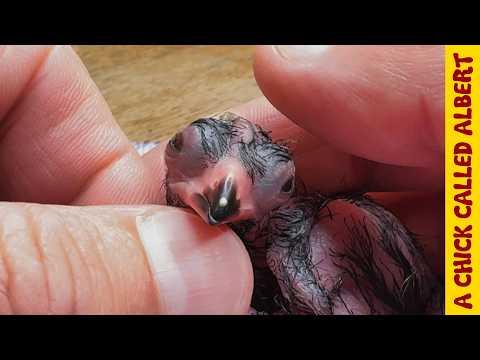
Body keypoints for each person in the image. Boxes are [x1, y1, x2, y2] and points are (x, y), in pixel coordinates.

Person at [0, 45, 443, 314]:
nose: (222, 196)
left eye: (279, 185)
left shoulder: (331, 231)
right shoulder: (140, 214)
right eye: (185, 149)